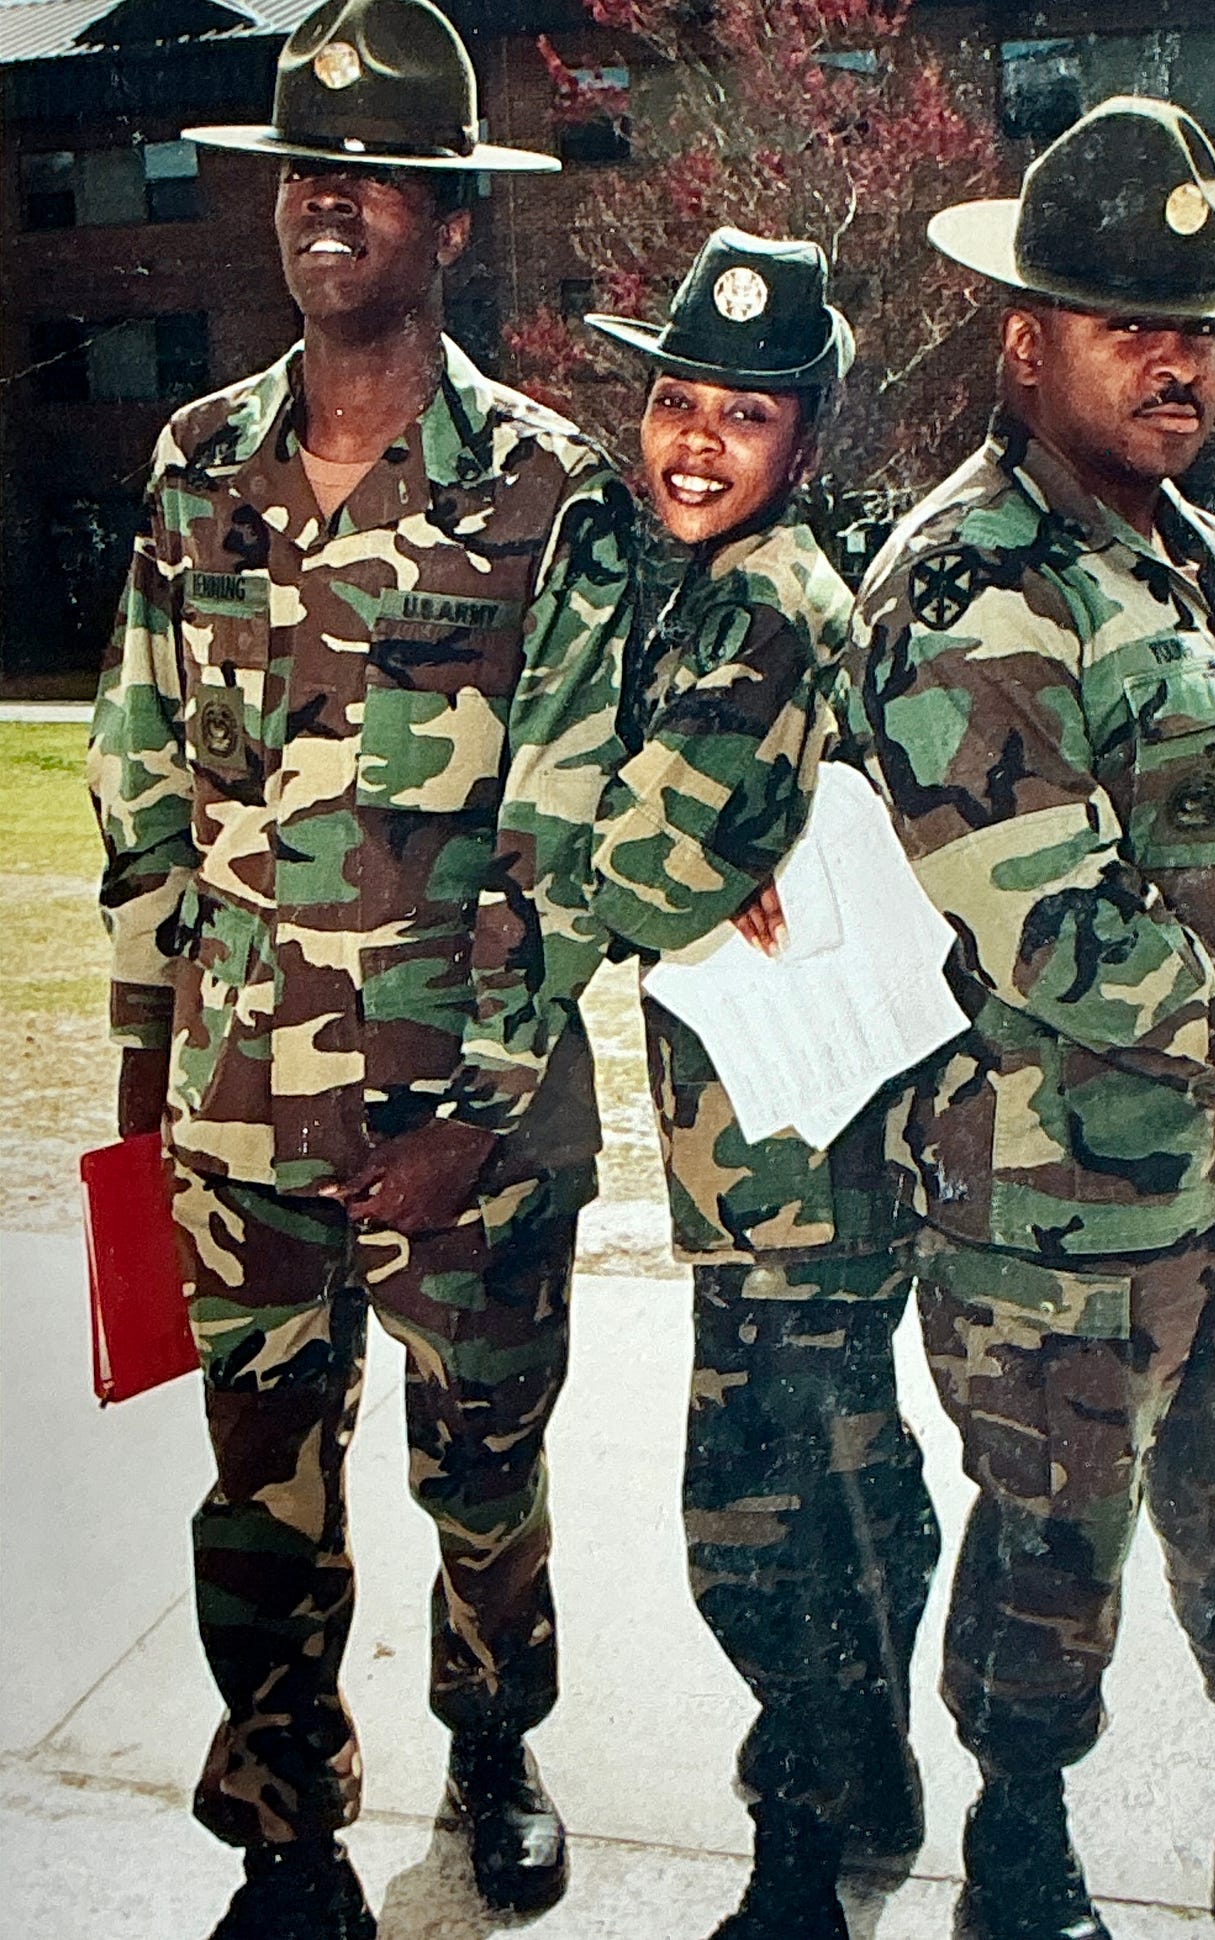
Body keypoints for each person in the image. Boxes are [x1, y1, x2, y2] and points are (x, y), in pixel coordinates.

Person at [853, 97, 1215, 1940]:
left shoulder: (1205, 555)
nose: (1175, 361)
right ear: (1024, 340)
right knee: (1051, 1536)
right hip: (1065, 1197)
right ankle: (1020, 1867)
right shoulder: (969, 585)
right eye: (1129, 322)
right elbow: (1060, 933)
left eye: (1193, 327)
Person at [86, 2, 634, 1934]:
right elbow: (143, 797)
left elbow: (573, 846)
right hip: (243, 1115)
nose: (327, 204)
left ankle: (495, 1748)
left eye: (374, 178)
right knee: (260, 1486)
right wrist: (148, 1104)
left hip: (456, 1117)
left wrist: (475, 1120)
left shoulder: (554, 489)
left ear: (452, 224)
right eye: (304, 173)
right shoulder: (195, 464)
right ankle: (288, 1818)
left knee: (484, 1475)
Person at [585, 229, 941, 1940]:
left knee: (760, 1516)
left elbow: (636, 882)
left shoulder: (756, 603)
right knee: (848, 1470)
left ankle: (799, 1857)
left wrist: (608, 832)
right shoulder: (711, 582)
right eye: (672, 401)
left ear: (807, 439)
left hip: (793, 1161)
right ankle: (861, 1773)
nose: (695, 441)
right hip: (802, 1154)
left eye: (744, 410)